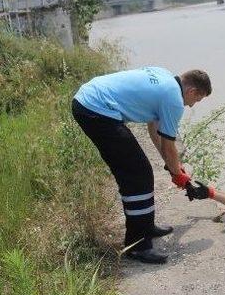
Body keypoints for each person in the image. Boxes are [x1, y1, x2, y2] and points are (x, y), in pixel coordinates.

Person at [71, 67, 211, 264]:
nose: (191, 105)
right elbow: (169, 144)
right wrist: (177, 172)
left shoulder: (164, 77)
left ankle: (146, 227)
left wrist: (174, 168)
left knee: (140, 172)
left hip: (90, 99)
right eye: (196, 100)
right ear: (192, 91)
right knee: (137, 176)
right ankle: (137, 246)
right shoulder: (174, 100)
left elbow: (155, 130)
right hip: (96, 110)